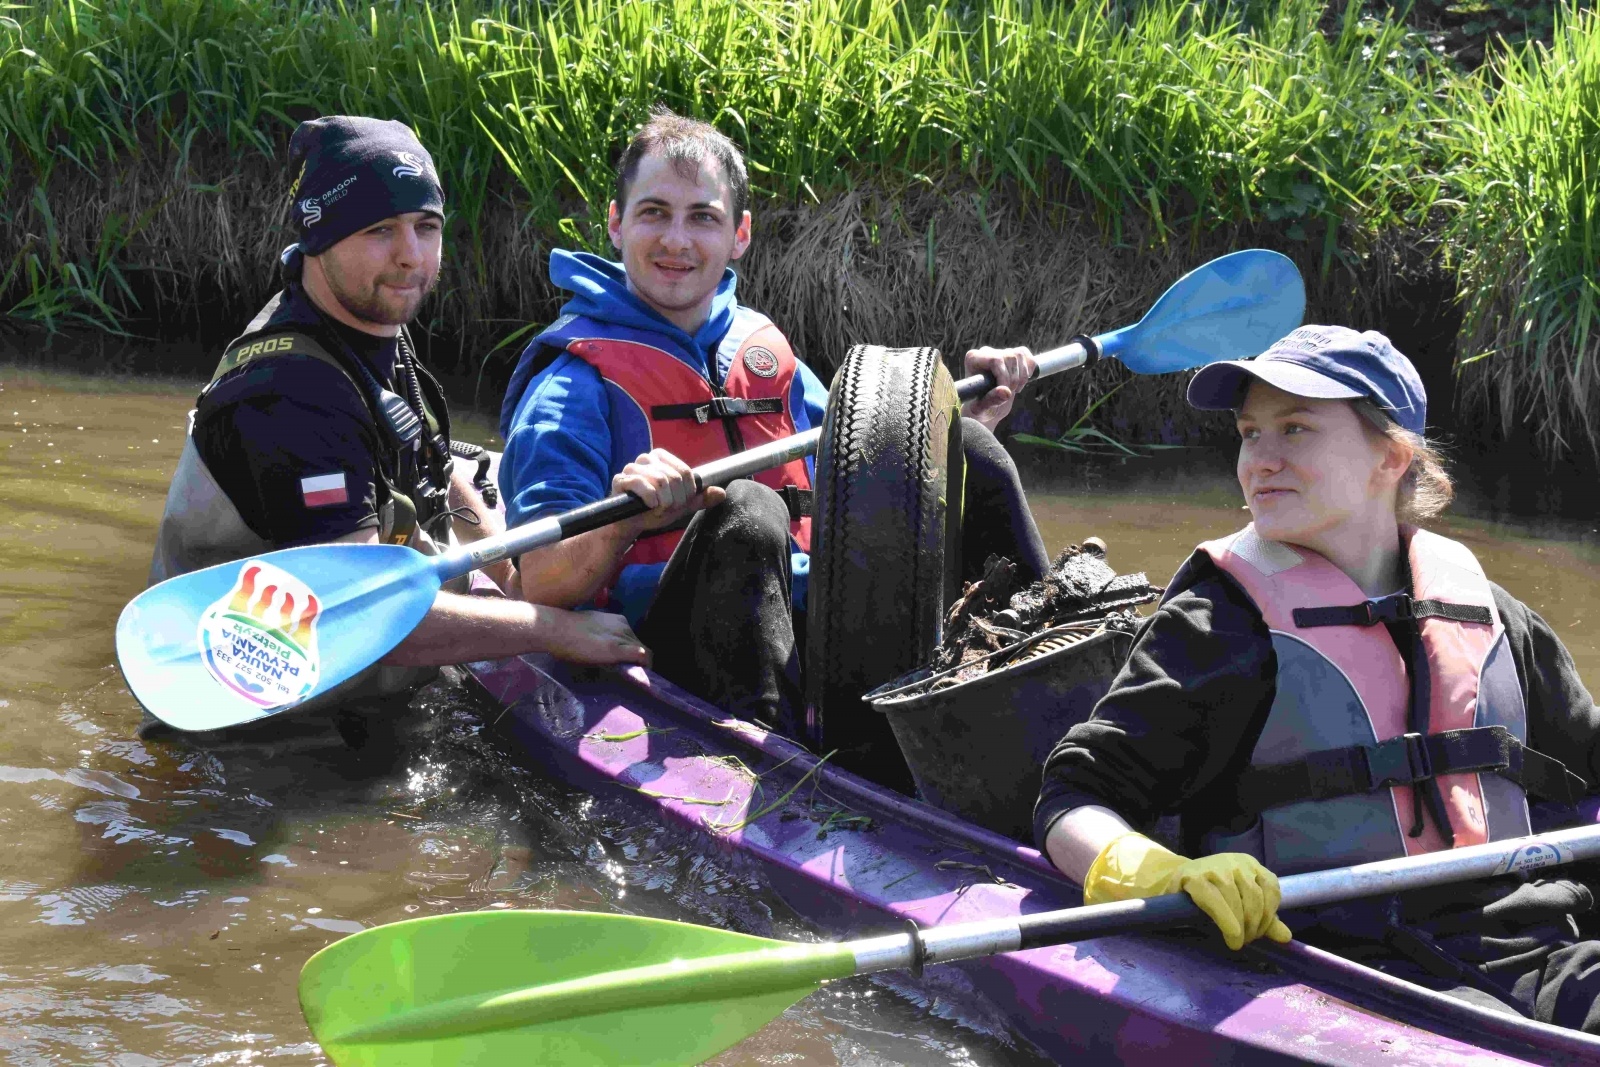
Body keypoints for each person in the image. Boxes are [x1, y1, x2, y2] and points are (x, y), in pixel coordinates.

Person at [1034, 325, 1600, 1029]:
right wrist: (1165, 874)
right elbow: (1071, 798)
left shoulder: (1493, 614)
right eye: (1249, 433)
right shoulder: (1221, 624)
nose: (1260, 461)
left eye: (1295, 429)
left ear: (1391, 456)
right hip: (1335, 964)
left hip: (1529, 946)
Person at [498, 108, 1048, 750]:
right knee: (751, 510)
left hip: (812, 619)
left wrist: (951, 429)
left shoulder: (764, 354)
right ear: (617, 226)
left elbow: (870, 478)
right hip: (671, 647)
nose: (677, 240)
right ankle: (771, 759)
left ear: (739, 235)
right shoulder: (570, 386)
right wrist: (624, 521)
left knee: (973, 451)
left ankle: (1053, 673)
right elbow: (536, 585)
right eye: (654, 213)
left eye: (702, 216)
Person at [147, 115, 648, 727]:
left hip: (360, 703)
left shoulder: (370, 328)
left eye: (425, 227)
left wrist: (514, 575)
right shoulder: (288, 395)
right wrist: (552, 628)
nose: (411, 256)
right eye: (380, 230)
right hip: (264, 738)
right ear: (318, 237)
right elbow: (356, 609)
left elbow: (438, 468)